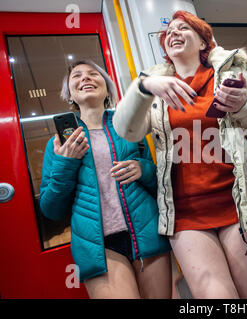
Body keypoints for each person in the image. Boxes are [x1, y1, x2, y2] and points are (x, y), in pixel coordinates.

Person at [113, 11, 247, 299]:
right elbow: (126, 130)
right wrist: (143, 86)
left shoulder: (234, 77)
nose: (174, 33)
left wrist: (244, 105)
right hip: (184, 213)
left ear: (204, 43)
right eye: (169, 32)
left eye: (184, 28)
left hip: (239, 206)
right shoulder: (155, 89)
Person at [39, 60, 172, 298]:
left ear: (107, 87)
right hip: (98, 246)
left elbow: (160, 184)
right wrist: (66, 162)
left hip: (147, 235)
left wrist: (144, 169)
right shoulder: (58, 144)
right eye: (77, 76)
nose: (86, 78)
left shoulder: (130, 127)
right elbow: (51, 209)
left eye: (93, 74)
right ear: (69, 93)